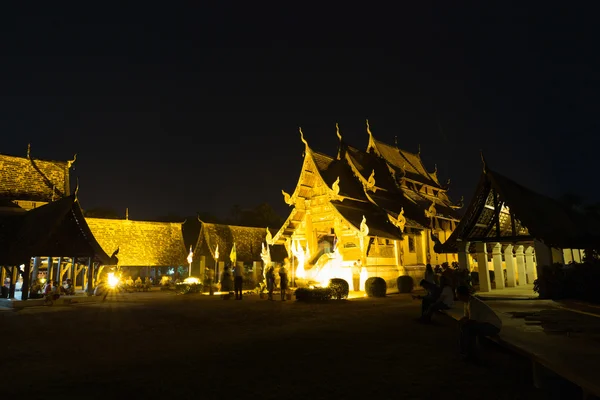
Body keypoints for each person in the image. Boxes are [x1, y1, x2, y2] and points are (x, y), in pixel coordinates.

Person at [456, 285, 502, 360]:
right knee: (465, 327)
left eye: (457, 293)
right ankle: (467, 351)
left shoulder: (473, 303)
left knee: (467, 328)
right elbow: (467, 317)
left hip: (492, 326)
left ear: (461, 294)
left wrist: (463, 322)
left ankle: (469, 352)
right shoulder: (467, 302)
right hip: (485, 324)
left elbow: (471, 320)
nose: (456, 296)